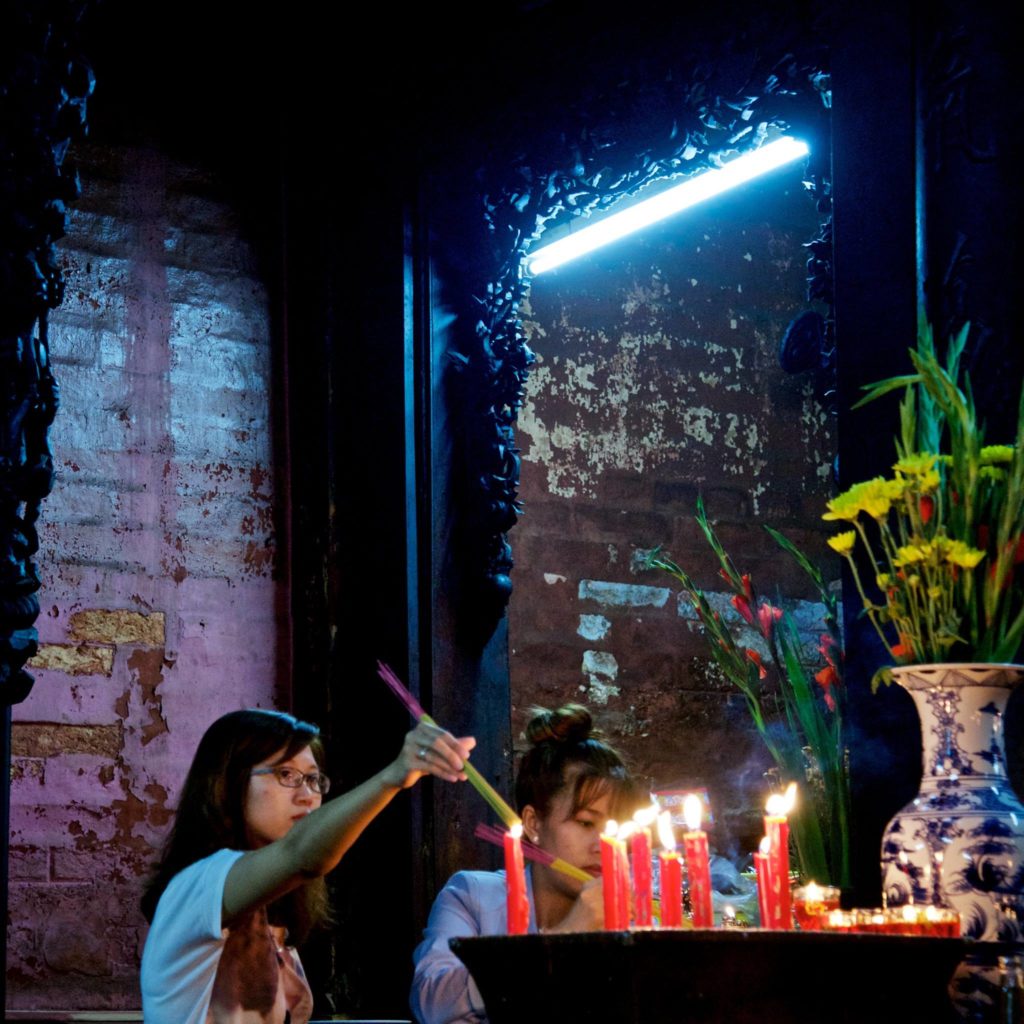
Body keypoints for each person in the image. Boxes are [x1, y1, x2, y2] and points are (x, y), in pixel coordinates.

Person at [140, 707, 475, 1024]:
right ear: (227, 783)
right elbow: (302, 855)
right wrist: (393, 776)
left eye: (314, 780)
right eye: (286, 774)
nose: (307, 796)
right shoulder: (196, 884)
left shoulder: (274, 919)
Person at [409, 703, 645, 1024]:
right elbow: (430, 1001)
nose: (603, 846)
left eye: (615, 829)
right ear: (533, 824)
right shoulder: (473, 896)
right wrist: (563, 940)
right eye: (587, 823)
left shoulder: (637, 918)